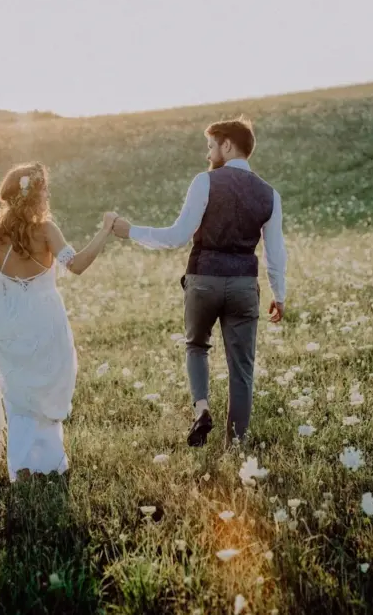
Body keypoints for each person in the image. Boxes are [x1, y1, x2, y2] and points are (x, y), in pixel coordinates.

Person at [112, 118, 287, 447]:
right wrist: (280, 294)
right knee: (242, 369)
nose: (208, 154)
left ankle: (202, 408)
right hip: (243, 286)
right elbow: (275, 252)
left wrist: (131, 231)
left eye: (211, 146)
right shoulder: (270, 195)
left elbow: (178, 236)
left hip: (203, 279)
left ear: (227, 145)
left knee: (196, 346)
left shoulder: (205, 182)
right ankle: (235, 445)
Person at [0, 162, 115, 481]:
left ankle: (21, 465)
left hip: (9, 322)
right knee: (49, 383)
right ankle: (49, 462)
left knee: (19, 392)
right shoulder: (47, 231)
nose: (49, 195)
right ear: (35, 196)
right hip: (46, 318)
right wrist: (105, 231)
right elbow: (75, 265)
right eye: (46, 189)